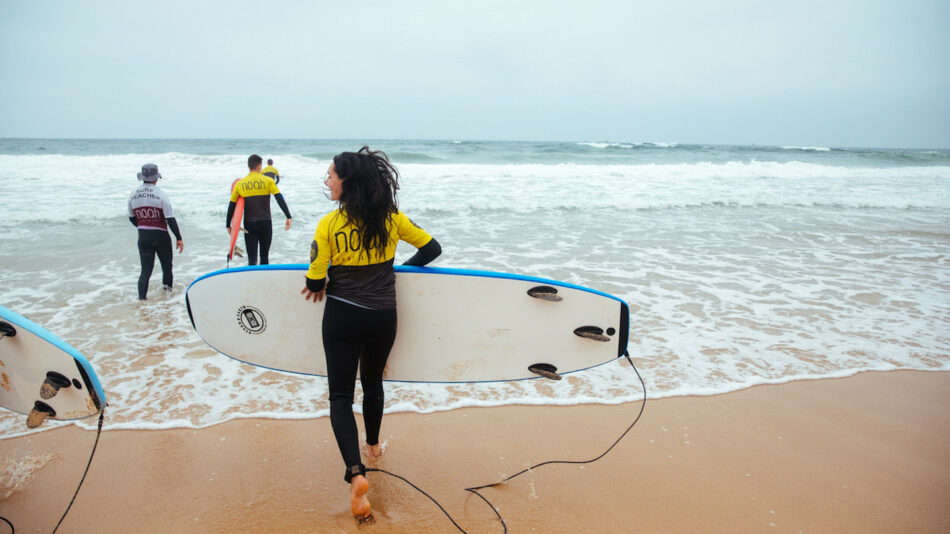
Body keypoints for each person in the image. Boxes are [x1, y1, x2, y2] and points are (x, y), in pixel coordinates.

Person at [301, 147, 441, 521]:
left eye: (330, 175)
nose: (327, 181)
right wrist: (402, 272)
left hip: (342, 317)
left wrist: (319, 281)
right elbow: (431, 248)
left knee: (340, 396)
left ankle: (355, 473)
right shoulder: (392, 219)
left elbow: (315, 278)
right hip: (382, 316)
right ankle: (374, 447)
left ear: (346, 182)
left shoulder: (328, 225)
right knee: (373, 383)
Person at [127, 163, 184, 300]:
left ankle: (141, 301)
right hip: (161, 236)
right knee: (166, 267)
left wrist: (143, 226)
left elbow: (132, 218)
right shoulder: (161, 195)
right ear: (156, 178)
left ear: (143, 177)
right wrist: (179, 238)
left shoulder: (133, 194)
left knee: (145, 272)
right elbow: (170, 218)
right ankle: (168, 298)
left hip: (143, 236)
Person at [226, 154, 293, 265]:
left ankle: (252, 281)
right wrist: (288, 216)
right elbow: (279, 198)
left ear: (249, 166)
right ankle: (264, 281)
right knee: (264, 257)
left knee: (252, 260)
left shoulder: (240, 184)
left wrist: (228, 225)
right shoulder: (268, 181)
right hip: (265, 223)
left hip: (249, 225)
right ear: (259, 167)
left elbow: (232, 205)